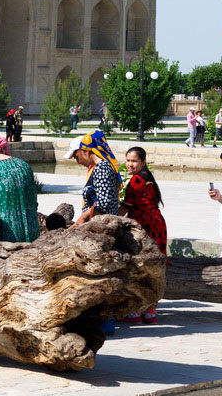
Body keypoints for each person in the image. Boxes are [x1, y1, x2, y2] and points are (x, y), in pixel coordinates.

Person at [66, 129, 121, 335]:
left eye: (76, 155)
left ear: (87, 151)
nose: (75, 160)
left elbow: (104, 203)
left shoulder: (102, 169)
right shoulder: (101, 168)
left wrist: (81, 220)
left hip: (100, 232)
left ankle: (104, 322)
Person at [119, 146, 167, 324]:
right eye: (128, 160)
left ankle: (135, 312)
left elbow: (126, 207)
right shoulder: (148, 178)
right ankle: (151, 312)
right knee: (153, 267)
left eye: (134, 161)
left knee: (138, 265)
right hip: (157, 223)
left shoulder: (136, 181)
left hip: (143, 224)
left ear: (143, 162)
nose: (130, 164)